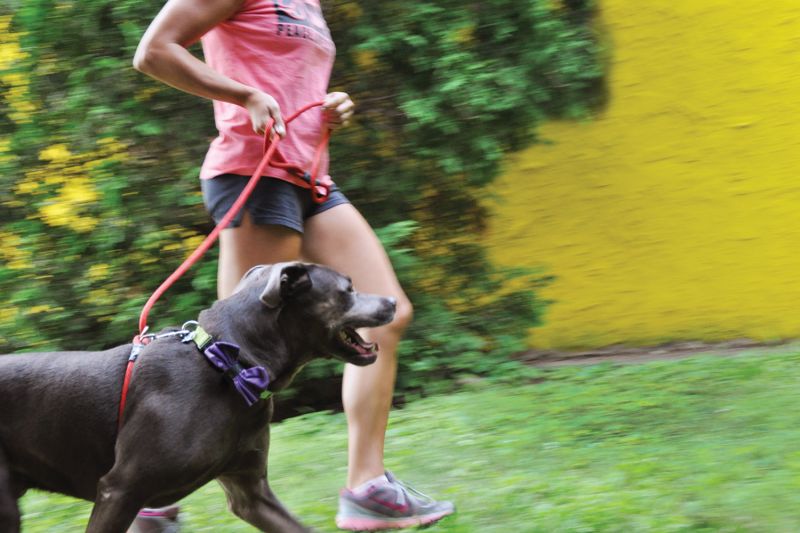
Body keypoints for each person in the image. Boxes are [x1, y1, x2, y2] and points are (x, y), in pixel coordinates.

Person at [131, 0, 454, 530]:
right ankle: (153, 495)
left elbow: (287, 72)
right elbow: (154, 52)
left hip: (310, 177)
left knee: (387, 314)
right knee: (232, 355)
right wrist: (244, 96)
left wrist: (329, 106)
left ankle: (367, 489)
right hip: (254, 171)